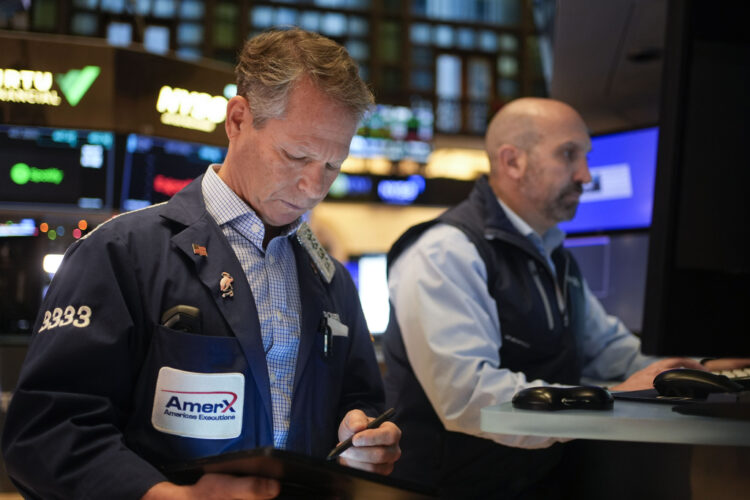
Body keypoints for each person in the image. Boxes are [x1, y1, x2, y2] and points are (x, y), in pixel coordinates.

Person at [2, 28, 400, 500]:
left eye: (333, 165)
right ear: (237, 119)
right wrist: (170, 497)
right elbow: (46, 432)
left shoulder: (329, 278)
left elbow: (360, 402)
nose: (314, 187)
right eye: (296, 155)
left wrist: (365, 441)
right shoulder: (120, 253)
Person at [382, 97, 747, 499]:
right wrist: (609, 397)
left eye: (586, 157)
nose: (585, 175)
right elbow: (469, 397)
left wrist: (704, 369)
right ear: (512, 161)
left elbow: (609, 350)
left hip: (533, 482)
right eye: (569, 155)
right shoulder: (445, 252)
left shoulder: (554, 256)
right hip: (450, 490)